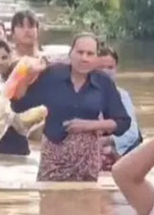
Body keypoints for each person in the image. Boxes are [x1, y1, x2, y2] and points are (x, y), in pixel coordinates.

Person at [13, 33, 131, 181]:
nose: (84, 58)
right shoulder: (52, 75)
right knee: (49, 194)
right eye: (80, 52)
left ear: (96, 58)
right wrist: (26, 77)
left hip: (87, 161)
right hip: (53, 159)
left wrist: (89, 125)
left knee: (86, 195)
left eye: (90, 54)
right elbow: (18, 105)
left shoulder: (103, 82)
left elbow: (123, 122)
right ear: (70, 54)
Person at [98, 45, 142, 168]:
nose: (106, 71)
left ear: (116, 68)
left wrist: (105, 141)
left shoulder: (122, 95)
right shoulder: (81, 95)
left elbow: (132, 134)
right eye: (100, 67)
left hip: (115, 149)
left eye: (110, 67)